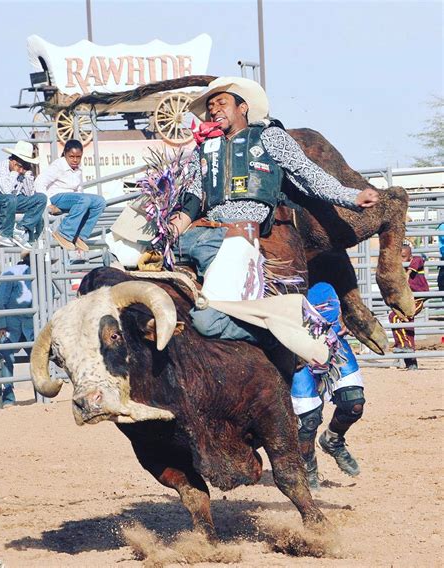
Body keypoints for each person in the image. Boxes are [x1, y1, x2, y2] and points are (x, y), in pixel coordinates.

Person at [167, 76, 378, 344]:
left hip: (239, 234)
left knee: (206, 322)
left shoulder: (269, 137)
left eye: (222, 102)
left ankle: (280, 335)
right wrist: (170, 232)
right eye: (210, 106)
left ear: (243, 107)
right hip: (200, 234)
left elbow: (308, 174)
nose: (214, 109)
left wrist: (350, 195)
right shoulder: (205, 148)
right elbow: (194, 196)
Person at [291, 282, 365, 489]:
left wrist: (349, 312)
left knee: (354, 404)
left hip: (334, 340)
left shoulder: (330, 257)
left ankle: (332, 439)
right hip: (295, 346)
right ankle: (307, 465)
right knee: (308, 420)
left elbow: (346, 283)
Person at [34, 139, 106, 251]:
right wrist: (48, 204)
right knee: (84, 200)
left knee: (100, 201)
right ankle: (63, 233)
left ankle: (80, 236)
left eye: (78, 157)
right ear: (65, 154)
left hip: (72, 198)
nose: (75, 160)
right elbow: (39, 182)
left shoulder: (78, 168)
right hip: (56, 197)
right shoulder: (58, 165)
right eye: (71, 156)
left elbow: (78, 189)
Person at [0, 252, 34, 406]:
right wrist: (1, 325)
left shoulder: (38, 275)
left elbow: (49, 295)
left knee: (37, 356)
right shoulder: (12, 273)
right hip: (5, 323)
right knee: (7, 358)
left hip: (25, 325)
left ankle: (40, 395)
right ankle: (8, 398)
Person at [0, 141, 47, 249]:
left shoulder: (23, 172)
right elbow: (6, 190)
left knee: (41, 198)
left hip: (12, 200)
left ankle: (20, 229)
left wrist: (28, 176)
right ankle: (2, 233)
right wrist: (14, 173)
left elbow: (29, 194)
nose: (21, 169)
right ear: (13, 161)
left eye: (25, 166)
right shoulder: (2, 167)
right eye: (20, 165)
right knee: (10, 199)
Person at [388, 243, 429, 370]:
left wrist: (408, 271)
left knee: (401, 318)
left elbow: (419, 260)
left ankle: (405, 347)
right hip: (404, 301)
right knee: (399, 321)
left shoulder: (416, 261)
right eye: (399, 257)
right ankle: (409, 359)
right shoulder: (397, 268)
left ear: (410, 257)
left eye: (404, 257)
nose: (401, 260)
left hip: (416, 300)